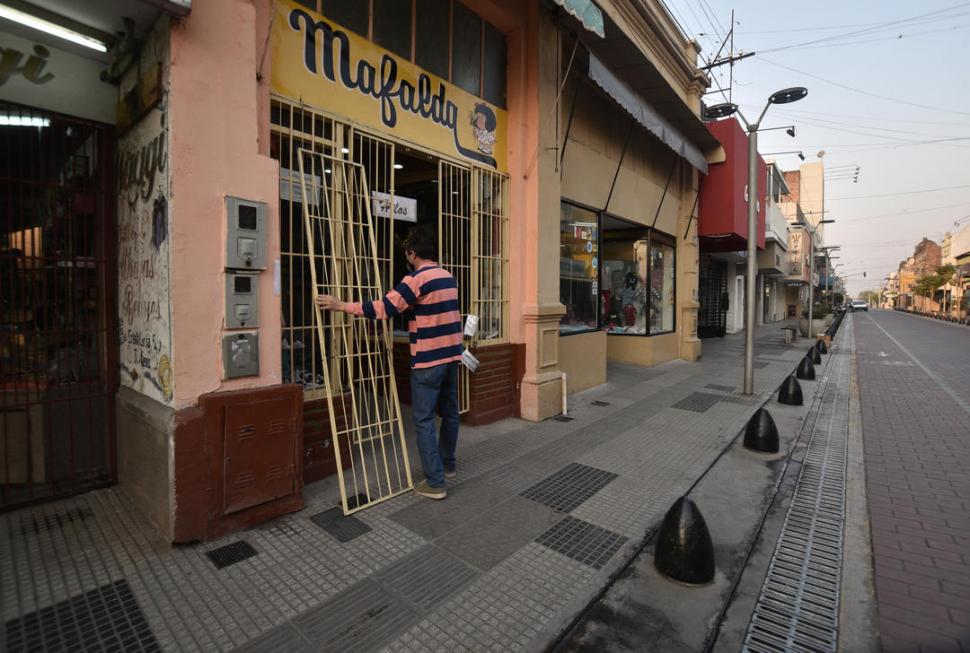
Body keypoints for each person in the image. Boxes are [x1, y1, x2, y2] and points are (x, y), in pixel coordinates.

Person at [315, 226, 461, 500]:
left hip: (428, 359)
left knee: (424, 419)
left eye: (407, 252)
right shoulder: (449, 277)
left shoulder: (415, 279)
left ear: (412, 253)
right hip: (452, 355)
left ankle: (436, 482)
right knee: (450, 413)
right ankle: (448, 464)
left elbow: (384, 308)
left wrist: (341, 305)